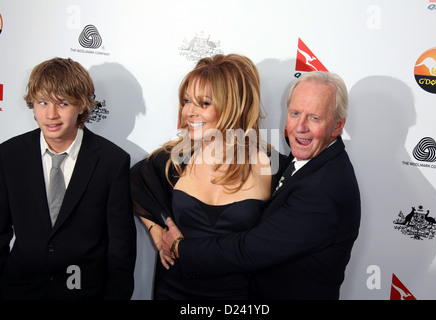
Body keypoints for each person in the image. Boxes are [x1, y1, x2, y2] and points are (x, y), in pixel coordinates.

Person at [161, 71, 361, 300]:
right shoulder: (305, 162)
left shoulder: (323, 190)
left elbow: (250, 250)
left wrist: (179, 248)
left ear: (337, 126)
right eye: (295, 113)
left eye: (314, 118)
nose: (300, 127)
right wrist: (156, 228)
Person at [130, 54, 276, 299]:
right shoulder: (175, 159)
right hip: (173, 292)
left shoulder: (270, 164)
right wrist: (157, 233)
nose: (189, 112)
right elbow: (134, 182)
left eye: (204, 103)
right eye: (187, 101)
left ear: (233, 105)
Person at [0, 57, 136, 300]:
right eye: (42, 102)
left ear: (82, 105)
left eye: (62, 103)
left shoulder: (111, 162)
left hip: (84, 292)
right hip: (19, 290)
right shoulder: (8, 155)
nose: (51, 114)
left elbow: (121, 248)